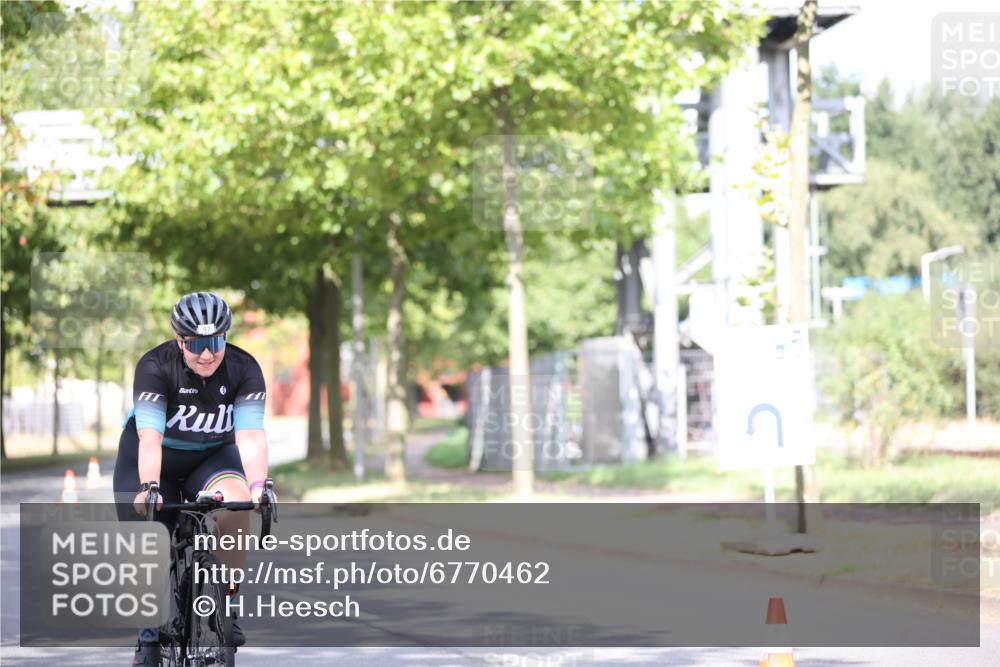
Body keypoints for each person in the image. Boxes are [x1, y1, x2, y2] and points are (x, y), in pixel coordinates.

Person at [113, 291, 269, 665]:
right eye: (196, 344)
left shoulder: (244, 368)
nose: (206, 353)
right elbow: (150, 438)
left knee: (236, 505)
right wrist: (149, 487)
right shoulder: (155, 366)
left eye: (215, 342)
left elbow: (249, 434)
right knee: (149, 539)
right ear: (180, 341)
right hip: (154, 462)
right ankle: (148, 634)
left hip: (211, 456)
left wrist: (260, 486)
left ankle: (228, 603)